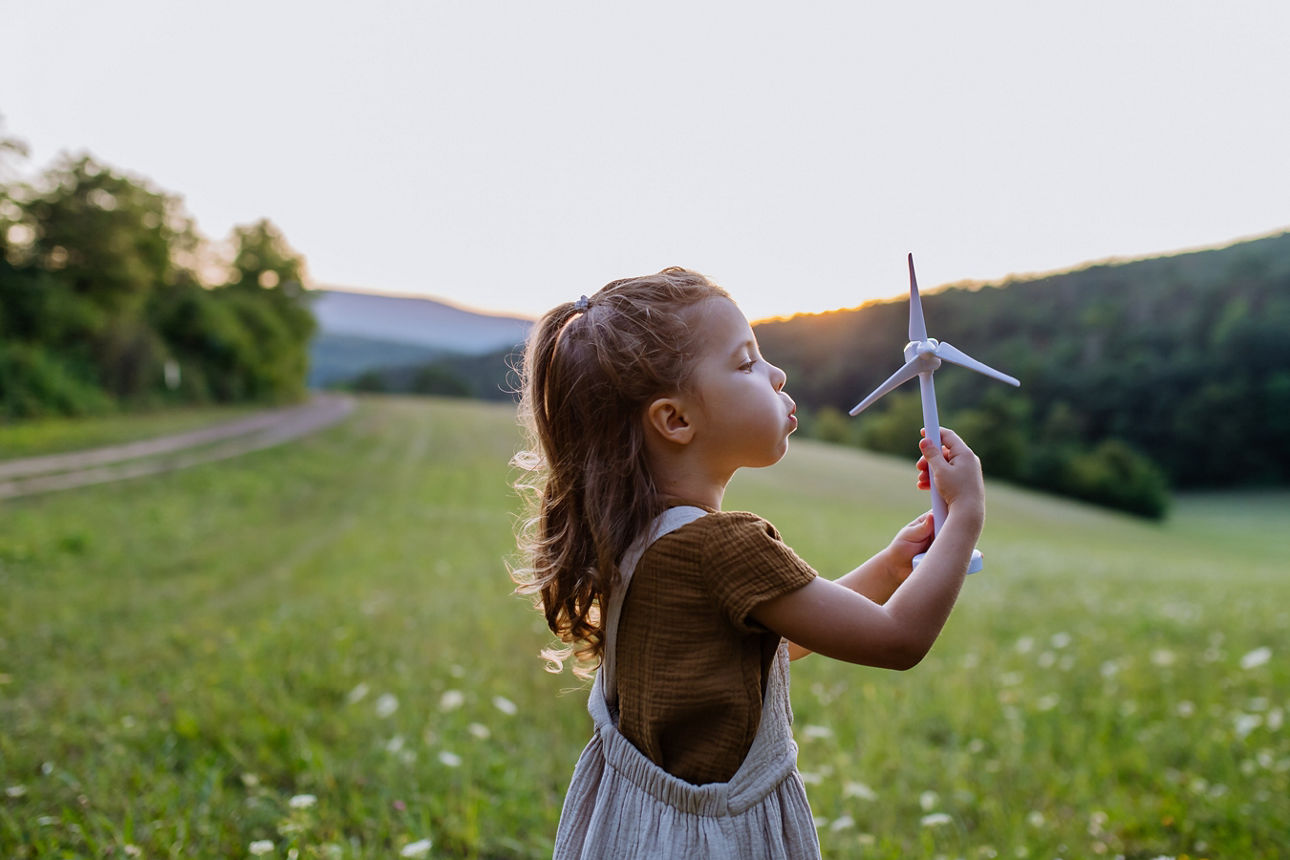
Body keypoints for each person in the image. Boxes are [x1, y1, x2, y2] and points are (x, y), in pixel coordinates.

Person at [510, 267, 986, 859]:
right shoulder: (724, 546)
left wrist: (892, 566)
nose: (777, 372)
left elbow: (774, 645)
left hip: (635, 831)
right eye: (746, 363)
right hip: (711, 842)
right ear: (675, 420)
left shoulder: (639, 539)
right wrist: (965, 514)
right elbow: (896, 640)